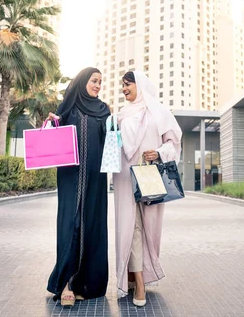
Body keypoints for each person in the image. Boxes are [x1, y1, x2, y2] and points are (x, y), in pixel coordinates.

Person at [113, 71, 183, 306]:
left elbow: (173, 144)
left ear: (139, 85)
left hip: (150, 174)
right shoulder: (120, 116)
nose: (124, 89)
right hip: (124, 176)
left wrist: (159, 153)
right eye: (122, 85)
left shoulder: (159, 112)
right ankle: (138, 284)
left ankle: (139, 274)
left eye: (128, 84)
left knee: (150, 229)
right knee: (130, 229)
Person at [46, 67, 111, 307]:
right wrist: (53, 123)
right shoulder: (67, 109)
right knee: (70, 226)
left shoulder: (104, 110)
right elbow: (54, 142)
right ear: (83, 81)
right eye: (94, 81)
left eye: (100, 82)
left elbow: (110, 143)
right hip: (70, 178)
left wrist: (113, 126)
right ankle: (65, 285)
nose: (97, 85)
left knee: (91, 226)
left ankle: (85, 284)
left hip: (95, 179)